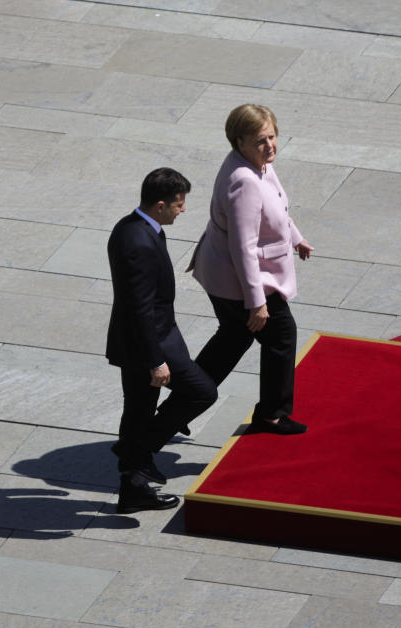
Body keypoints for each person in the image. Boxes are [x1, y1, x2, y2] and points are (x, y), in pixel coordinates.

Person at [188, 104, 313, 435]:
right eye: (260, 140)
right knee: (281, 336)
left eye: (272, 136)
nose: (270, 145)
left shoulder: (256, 164)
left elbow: (275, 208)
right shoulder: (244, 181)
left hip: (224, 276)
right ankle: (271, 414)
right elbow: (242, 246)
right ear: (238, 141)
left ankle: (187, 397)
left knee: (233, 337)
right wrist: (256, 301)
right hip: (240, 282)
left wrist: (296, 238)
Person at [107, 167, 217, 513]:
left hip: (143, 340)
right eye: (178, 205)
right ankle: (136, 452)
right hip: (150, 343)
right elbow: (140, 307)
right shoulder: (139, 240)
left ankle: (133, 484)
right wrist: (156, 360)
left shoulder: (132, 227)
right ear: (159, 205)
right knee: (202, 391)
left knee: (138, 410)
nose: (181, 210)